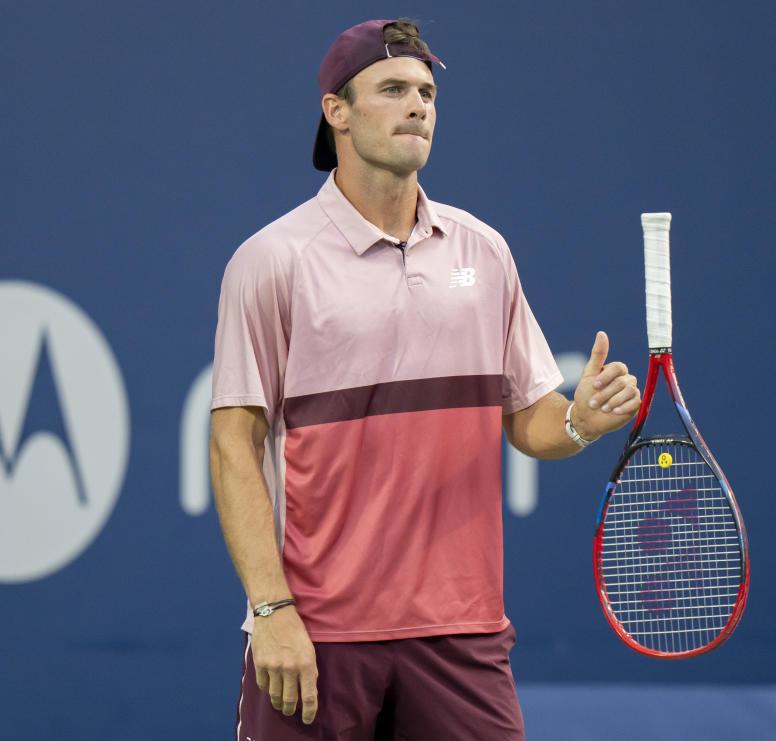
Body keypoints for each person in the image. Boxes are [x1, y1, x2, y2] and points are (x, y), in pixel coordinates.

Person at [209, 18, 641, 740]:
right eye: (392, 89)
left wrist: (577, 422)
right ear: (336, 111)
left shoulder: (485, 251)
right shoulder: (271, 261)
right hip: (318, 633)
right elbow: (233, 445)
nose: (418, 106)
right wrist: (271, 609)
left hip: (462, 632)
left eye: (427, 92)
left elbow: (527, 416)